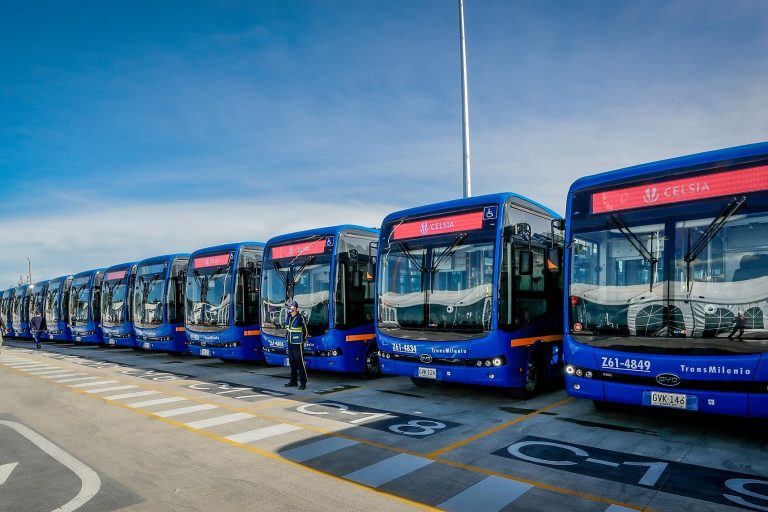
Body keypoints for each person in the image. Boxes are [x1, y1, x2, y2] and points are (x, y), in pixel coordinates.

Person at [284, 300, 308, 390]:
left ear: (295, 308)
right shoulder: (289, 317)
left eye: (290, 306)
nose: (289, 308)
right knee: (292, 363)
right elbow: (287, 329)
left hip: (298, 344)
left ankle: (303, 383)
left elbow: (305, 330)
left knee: (300, 363)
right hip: (290, 343)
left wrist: (304, 339)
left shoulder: (300, 317)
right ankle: (293, 382)